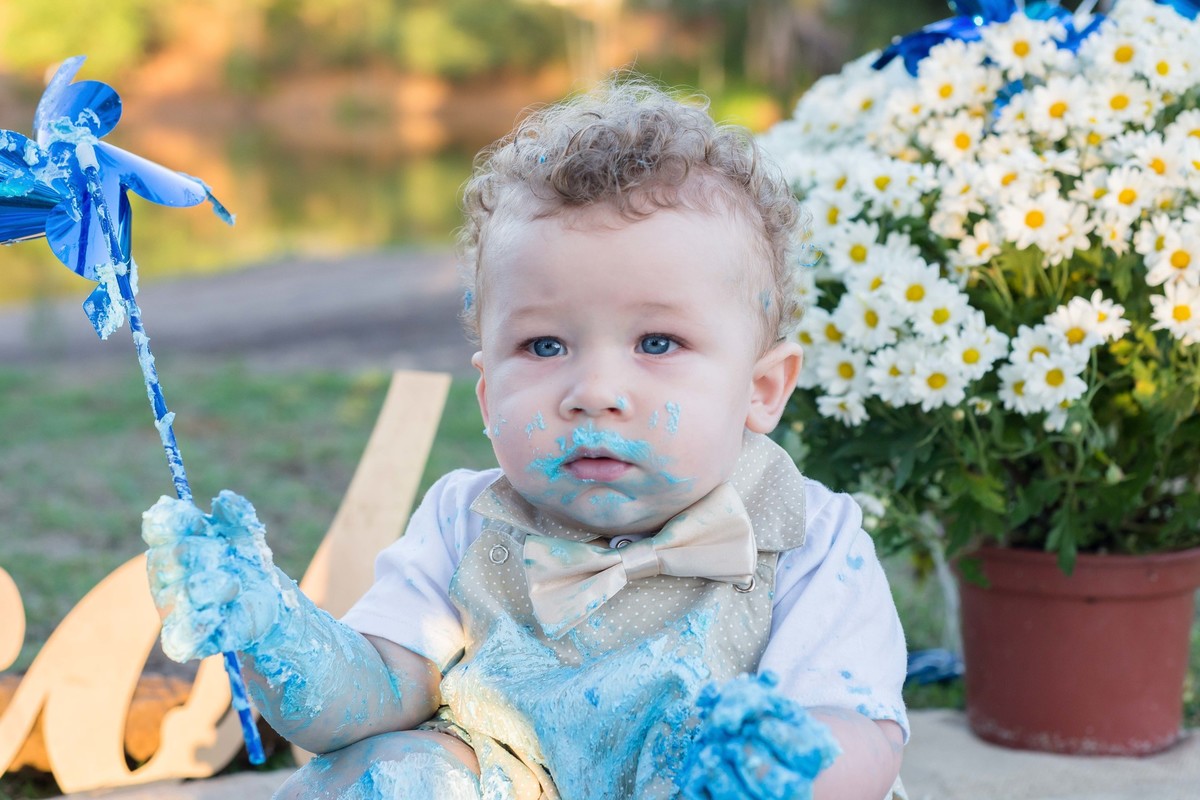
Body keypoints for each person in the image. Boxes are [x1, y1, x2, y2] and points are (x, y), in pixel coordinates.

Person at [142, 78, 908, 800]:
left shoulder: (810, 540)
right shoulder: (463, 525)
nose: (594, 391)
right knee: (396, 770)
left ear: (761, 389)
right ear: (487, 393)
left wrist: (778, 765)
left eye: (658, 342)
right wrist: (273, 628)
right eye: (544, 346)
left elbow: (865, 735)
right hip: (506, 777)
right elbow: (369, 699)